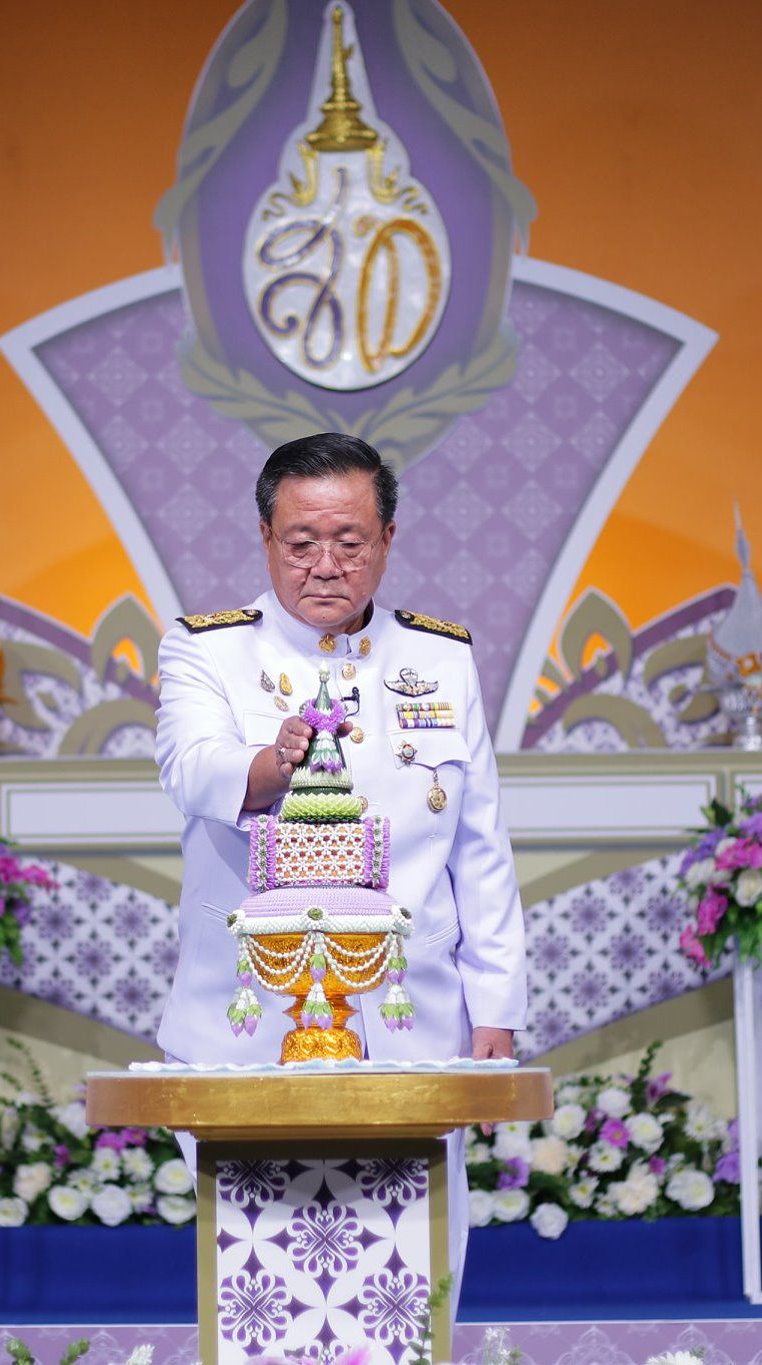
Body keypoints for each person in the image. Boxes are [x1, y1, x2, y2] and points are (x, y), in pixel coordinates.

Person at [152, 431, 526, 1268]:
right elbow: (193, 770)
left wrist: (496, 1009)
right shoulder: (207, 648)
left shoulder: (439, 656)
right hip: (246, 1027)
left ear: (387, 539)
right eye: (302, 542)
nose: (325, 565)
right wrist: (273, 763)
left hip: (412, 1025)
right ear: (265, 537)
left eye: (350, 542)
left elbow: (479, 846)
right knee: (259, 1281)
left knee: (414, 1276)